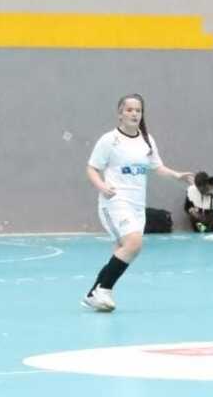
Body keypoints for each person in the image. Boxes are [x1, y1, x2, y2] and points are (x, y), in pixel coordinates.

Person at [82, 94, 193, 311]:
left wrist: (176, 175)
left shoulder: (147, 140)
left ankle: (92, 293)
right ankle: (104, 291)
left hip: (137, 204)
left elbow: (156, 166)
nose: (134, 114)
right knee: (133, 244)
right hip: (114, 201)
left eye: (138, 110)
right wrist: (102, 186)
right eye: (129, 110)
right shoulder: (109, 140)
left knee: (122, 250)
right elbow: (92, 168)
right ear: (120, 114)